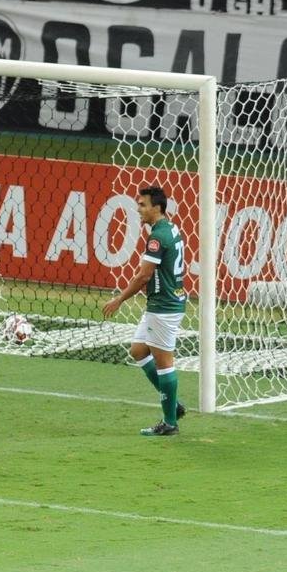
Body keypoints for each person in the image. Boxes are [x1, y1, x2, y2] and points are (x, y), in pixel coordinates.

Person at [101, 185, 187, 437]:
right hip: (163, 303)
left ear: (156, 207)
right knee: (138, 350)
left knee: (164, 363)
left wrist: (119, 300)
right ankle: (174, 405)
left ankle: (170, 422)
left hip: (164, 306)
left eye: (142, 204)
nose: (138, 209)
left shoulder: (158, 236)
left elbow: (143, 276)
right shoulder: (170, 227)